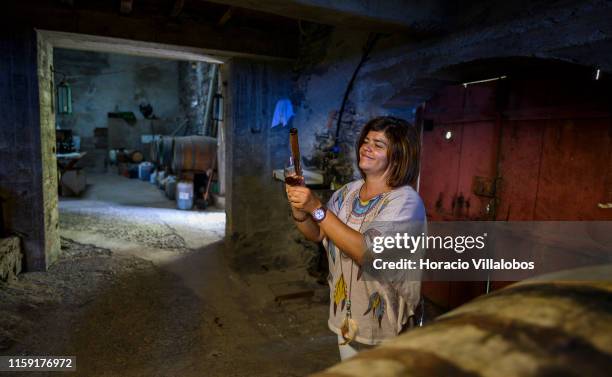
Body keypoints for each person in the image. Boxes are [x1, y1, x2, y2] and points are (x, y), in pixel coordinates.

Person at [286, 116, 426, 360]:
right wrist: (300, 208)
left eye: (378, 144)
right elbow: (318, 232)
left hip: (385, 328)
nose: (366, 147)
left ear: (398, 156)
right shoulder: (347, 192)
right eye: (366, 140)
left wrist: (317, 207)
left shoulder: (405, 202)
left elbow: (366, 252)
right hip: (348, 318)